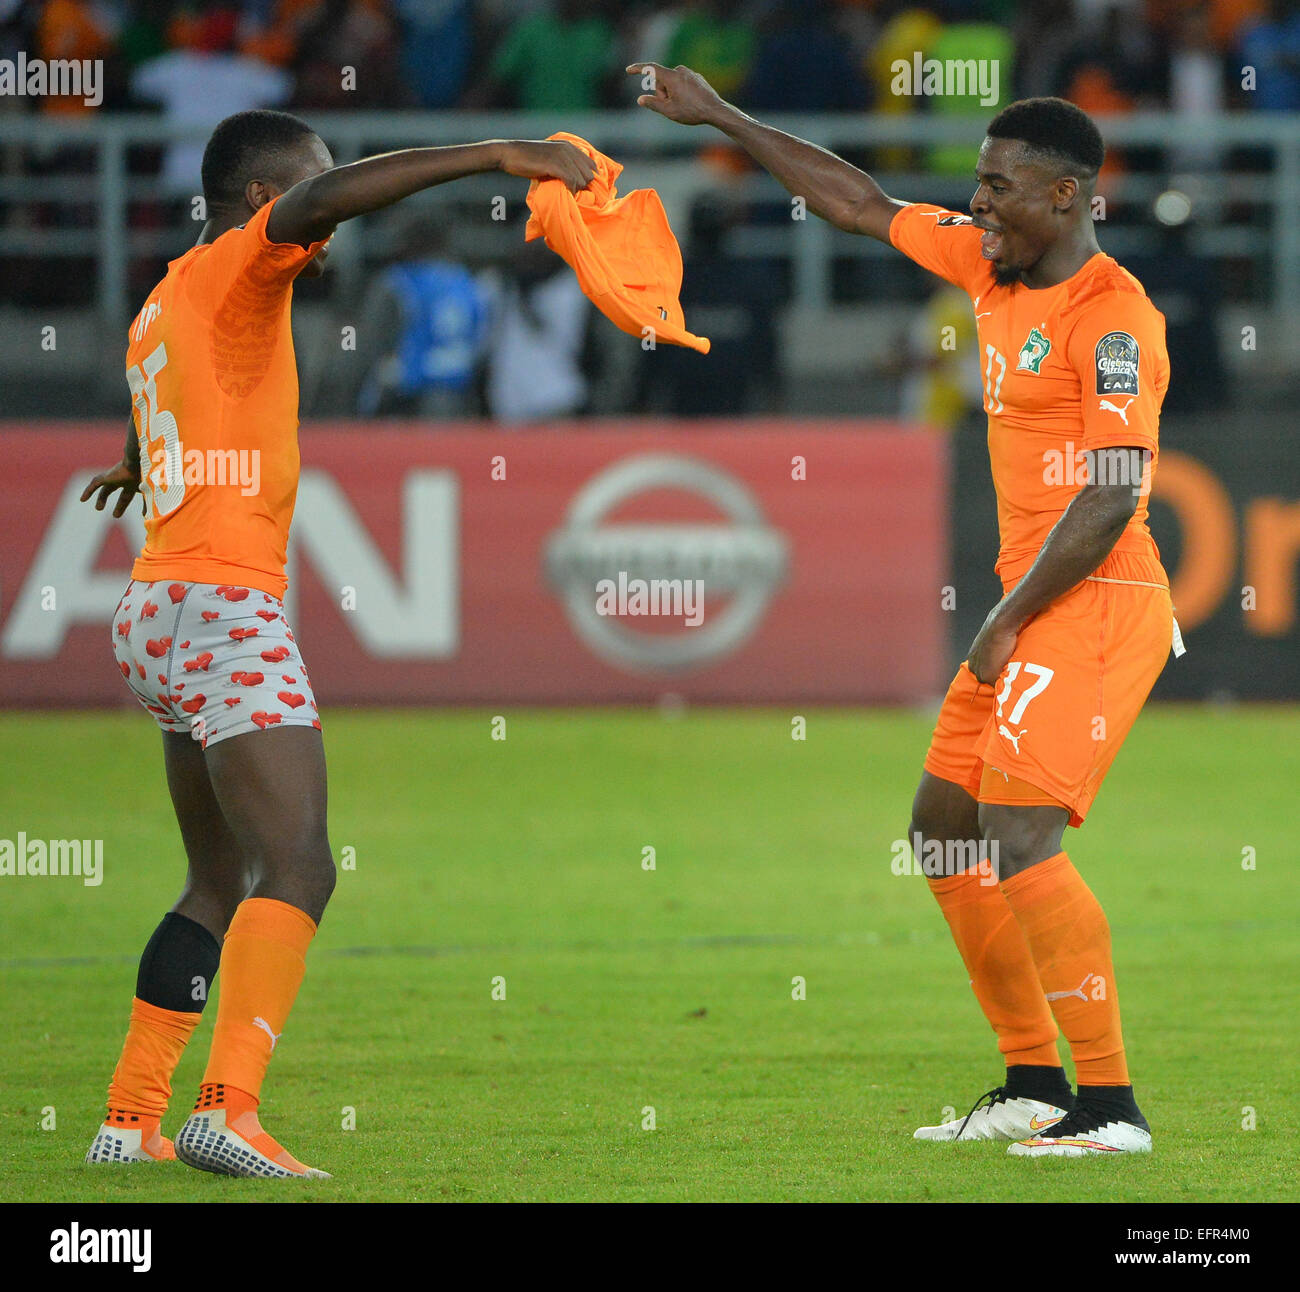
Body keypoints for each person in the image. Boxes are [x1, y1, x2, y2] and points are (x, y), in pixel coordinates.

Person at [630, 64, 1176, 1157]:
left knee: (1021, 835)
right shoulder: (983, 268)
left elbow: (1112, 493)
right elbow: (858, 203)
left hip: (1094, 596)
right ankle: (1030, 1077)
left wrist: (1006, 616)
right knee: (939, 830)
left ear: (1064, 195)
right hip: (1031, 600)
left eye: (998, 186)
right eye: (974, 184)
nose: (976, 206)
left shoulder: (1114, 317)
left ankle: (1111, 1107)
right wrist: (727, 118)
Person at [80, 110, 594, 1178]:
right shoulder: (244, 261)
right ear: (267, 199)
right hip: (223, 603)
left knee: (215, 877)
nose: (332, 220)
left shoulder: (167, 294)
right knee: (301, 863)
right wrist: (499, 155)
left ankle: (131, 1117)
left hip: (156, 609)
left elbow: (150, 407)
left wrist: (137, 461)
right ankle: (227, 1107)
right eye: (313, 194)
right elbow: (322, 203)